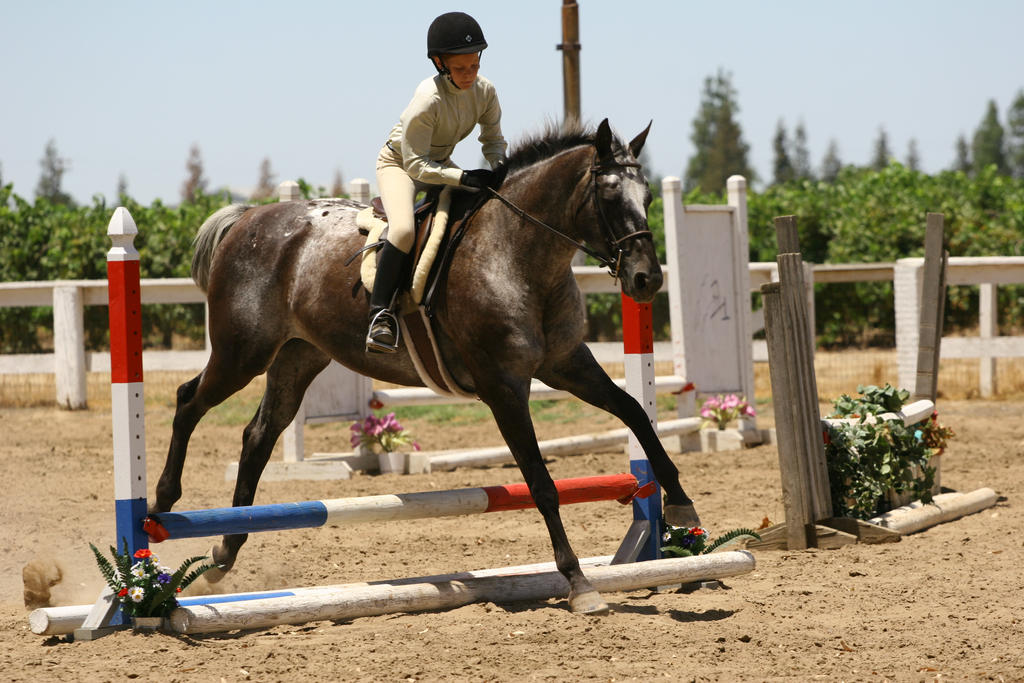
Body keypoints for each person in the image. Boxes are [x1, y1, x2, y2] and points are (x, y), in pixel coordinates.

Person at [366, 11, 508, 353]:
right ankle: (380, 315)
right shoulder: (427, 100)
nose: (470, 75)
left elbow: (492, 140)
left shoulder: (485, 91)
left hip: (439, 163)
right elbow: (415, 164)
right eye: (460, 69)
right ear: (439, 64)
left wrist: (501, 168)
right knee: (402, 231)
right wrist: (462, 176)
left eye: (474, 65)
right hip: (400, 164)